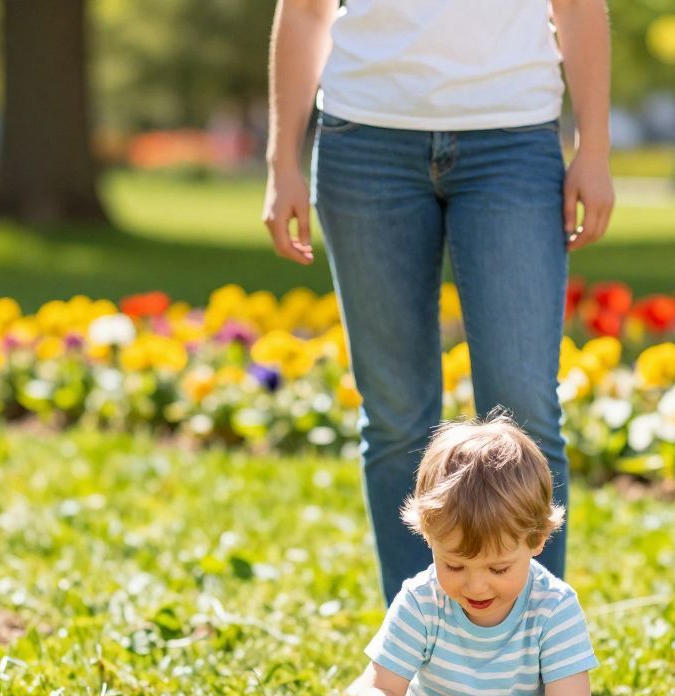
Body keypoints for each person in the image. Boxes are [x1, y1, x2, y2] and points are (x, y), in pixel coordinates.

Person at [264, 0, 616, 605]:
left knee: (525, 409)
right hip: (363, 141)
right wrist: (281, 162)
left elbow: (580, 7)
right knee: (396, 413)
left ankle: (530, 646)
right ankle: (419, 647)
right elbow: (303, 11)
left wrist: (595, 147)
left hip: (513, 141)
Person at [194, 416, 639, 696]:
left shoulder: (554, 606)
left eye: (498, 568)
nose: (476, 586)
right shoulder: (422, 601)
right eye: (454, 565)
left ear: (537, 539)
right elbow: (378, 692)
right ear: (428, 537)